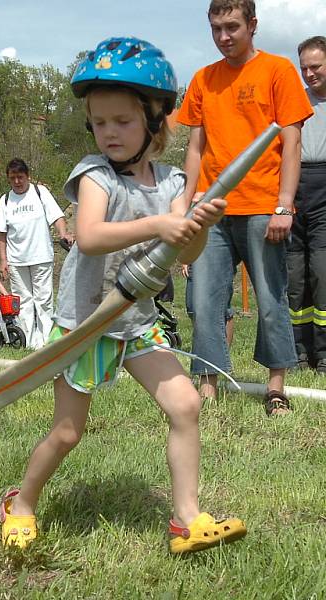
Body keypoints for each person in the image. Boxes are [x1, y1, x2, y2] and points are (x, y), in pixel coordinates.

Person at [0, 38, 247, 555]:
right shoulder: (95, 174)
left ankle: (186, 518)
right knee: (68, 433)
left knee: (184, 405)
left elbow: (188, 248)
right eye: (99, 121)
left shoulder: (175, 181)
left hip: (136, 321)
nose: (108, 132)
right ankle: (20, 502)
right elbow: (88, 236)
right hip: (87, 322)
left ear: (155, 121)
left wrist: (198, 222)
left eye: (122, 121)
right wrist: (159, 221)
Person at [177, 0, 313, 416]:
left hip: (262, 206)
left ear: (253, 25)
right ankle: (209, 385)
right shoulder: (204, 79)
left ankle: (276, 389)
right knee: (204, 301)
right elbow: (195, 148)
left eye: (232, 27)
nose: (223, 37)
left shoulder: (278, 71)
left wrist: (284, 206)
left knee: (271, 298)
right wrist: (187, 207)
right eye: (216, 28)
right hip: (211, 210)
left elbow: (291, 144)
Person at [0, 159, 73, 349]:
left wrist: (63, 233)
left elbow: (57, 216)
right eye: (12, 178)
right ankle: (28, 343)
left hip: (41, 256)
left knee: (44, 300)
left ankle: (47, 342)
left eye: (20, 177)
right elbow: (1, 232)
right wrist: (3, 259)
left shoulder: (40, 192)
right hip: (17, 259)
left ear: (27, 176)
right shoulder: (5, 200)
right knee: (23, 303)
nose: (17, 182)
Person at [288, 36, 326, 374]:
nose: (309, 73)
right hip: (295, 189)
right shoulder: (295, 102)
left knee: (322, 273)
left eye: (315, 66)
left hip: (325, 192)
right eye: (304, 68)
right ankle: (299, 352)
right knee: (296, 277)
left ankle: (324, 353)